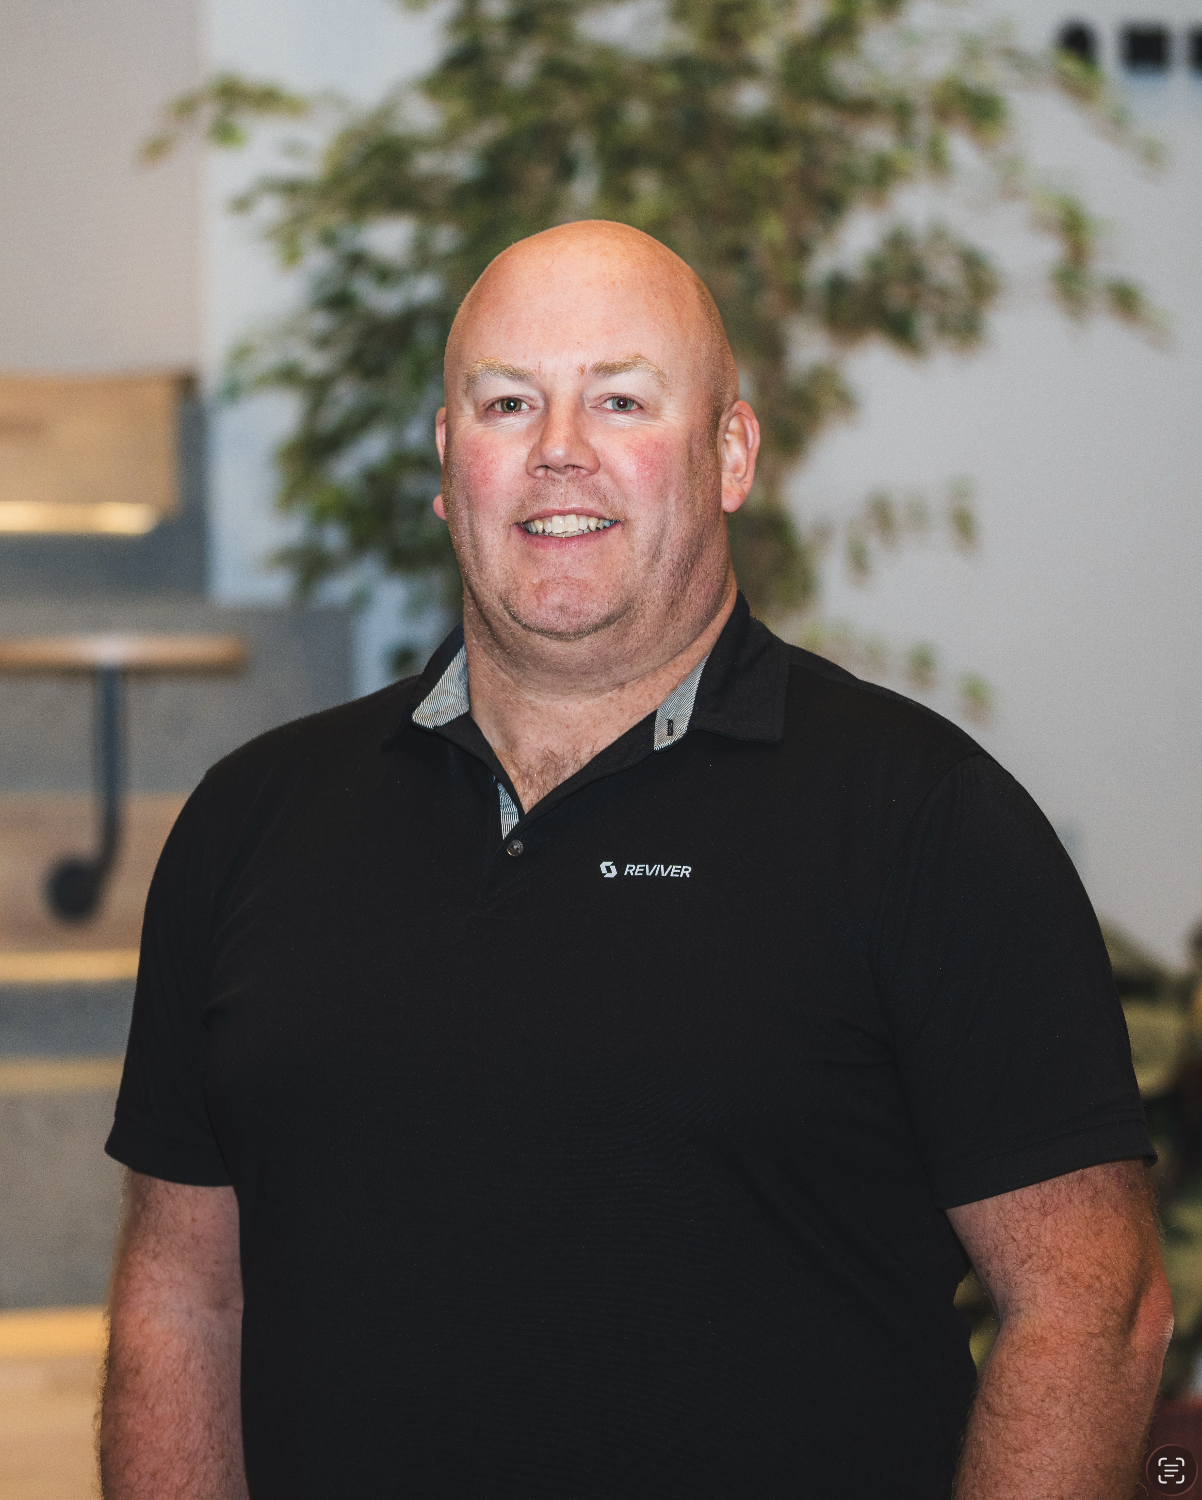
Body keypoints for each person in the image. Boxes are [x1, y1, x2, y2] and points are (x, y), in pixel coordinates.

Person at [99, 221, 1171, 1500]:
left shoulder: (923, 820)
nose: (559, 447)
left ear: (730, 453)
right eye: (507, 403)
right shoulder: (250, 819)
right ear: (446, 460)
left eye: (620, 399)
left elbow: (1090, 1308)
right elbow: (181, 1296)